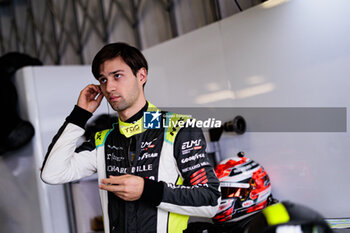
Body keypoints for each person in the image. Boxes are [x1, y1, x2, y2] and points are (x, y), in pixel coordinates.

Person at [41, 42, 221, 233]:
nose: (109, 87)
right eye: (103, 80)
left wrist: (147, 190)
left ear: (141, 76)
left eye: (117, 76)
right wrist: (79, 115)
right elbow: (52, 174)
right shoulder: (103, 140)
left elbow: (210, 201)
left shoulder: (178, 127)